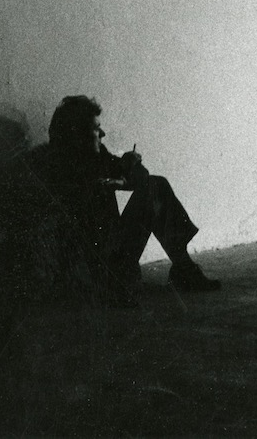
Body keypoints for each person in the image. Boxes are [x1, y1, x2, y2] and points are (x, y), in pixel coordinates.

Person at [17, 95, 220, 303]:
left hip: (109, 255)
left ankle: (183, 267)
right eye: (96, 128)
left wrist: (126, 170)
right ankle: (109, 286)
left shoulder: (94, 155)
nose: (103, 134)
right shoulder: (47, 164)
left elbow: (142, 177)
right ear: (76, 133)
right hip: (79, 268)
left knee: (155, 185)